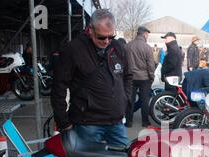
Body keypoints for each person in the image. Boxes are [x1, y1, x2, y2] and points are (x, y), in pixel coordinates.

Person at [51, 9, 132, 147]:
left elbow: (127, 76)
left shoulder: (118, 47)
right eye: (101, 37)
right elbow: (59, 86)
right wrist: (63, 121)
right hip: (87, 124)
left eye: (111, 36)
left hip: (116, 122)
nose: (107, 41)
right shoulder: (73, 49)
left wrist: (125, 100)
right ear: (90, 30)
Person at [125, 26, 156, 128]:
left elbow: (124, 62)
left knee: (130, 99)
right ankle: (145, 122)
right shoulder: (147, 47)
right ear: (144, 34)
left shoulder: (128, 46)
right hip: (144, 78)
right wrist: (152, 77)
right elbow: (151, 65)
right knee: (145, 100)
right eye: (147, 34)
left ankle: (128, 121)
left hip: (130, 77)